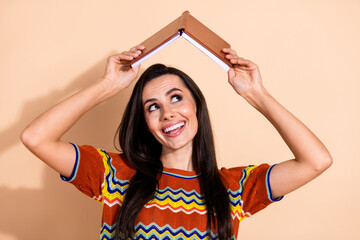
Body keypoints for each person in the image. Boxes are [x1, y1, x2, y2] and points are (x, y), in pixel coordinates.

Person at [21, 45, 333, 240]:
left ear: (196, 106)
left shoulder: (234, 188)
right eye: (153, 106)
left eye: (176, 98)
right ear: (145, 122)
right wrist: (107, 85)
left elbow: (316, 161)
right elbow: (36, 138)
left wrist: (256, 94)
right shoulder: (116, 175)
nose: (168, 113)